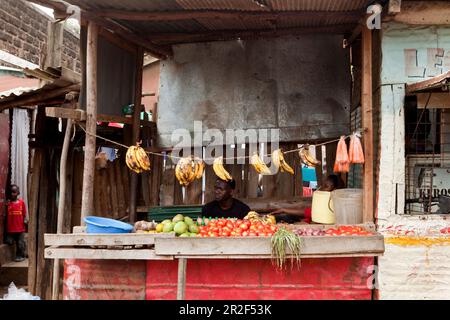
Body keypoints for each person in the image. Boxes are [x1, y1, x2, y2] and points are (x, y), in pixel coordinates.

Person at [270, 174, 340, 223]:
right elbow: (309, 212)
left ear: (335, 189)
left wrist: (284, 210)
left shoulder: (334, 203)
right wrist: (284, 210)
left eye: (326, 186)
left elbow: (309, 213)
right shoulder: (322, 200)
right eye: (323, 185)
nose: (322, 189)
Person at [5, 185, 28, 262]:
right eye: (11, 192)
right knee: (9, 241)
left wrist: (25, 221)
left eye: (14, 192)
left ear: (18, 193)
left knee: (20, 243)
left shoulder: (21, 203)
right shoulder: (8, 204)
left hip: (20, 228)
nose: (12, 194)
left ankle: (21, 255)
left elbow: (24, 214)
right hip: (10, 229)